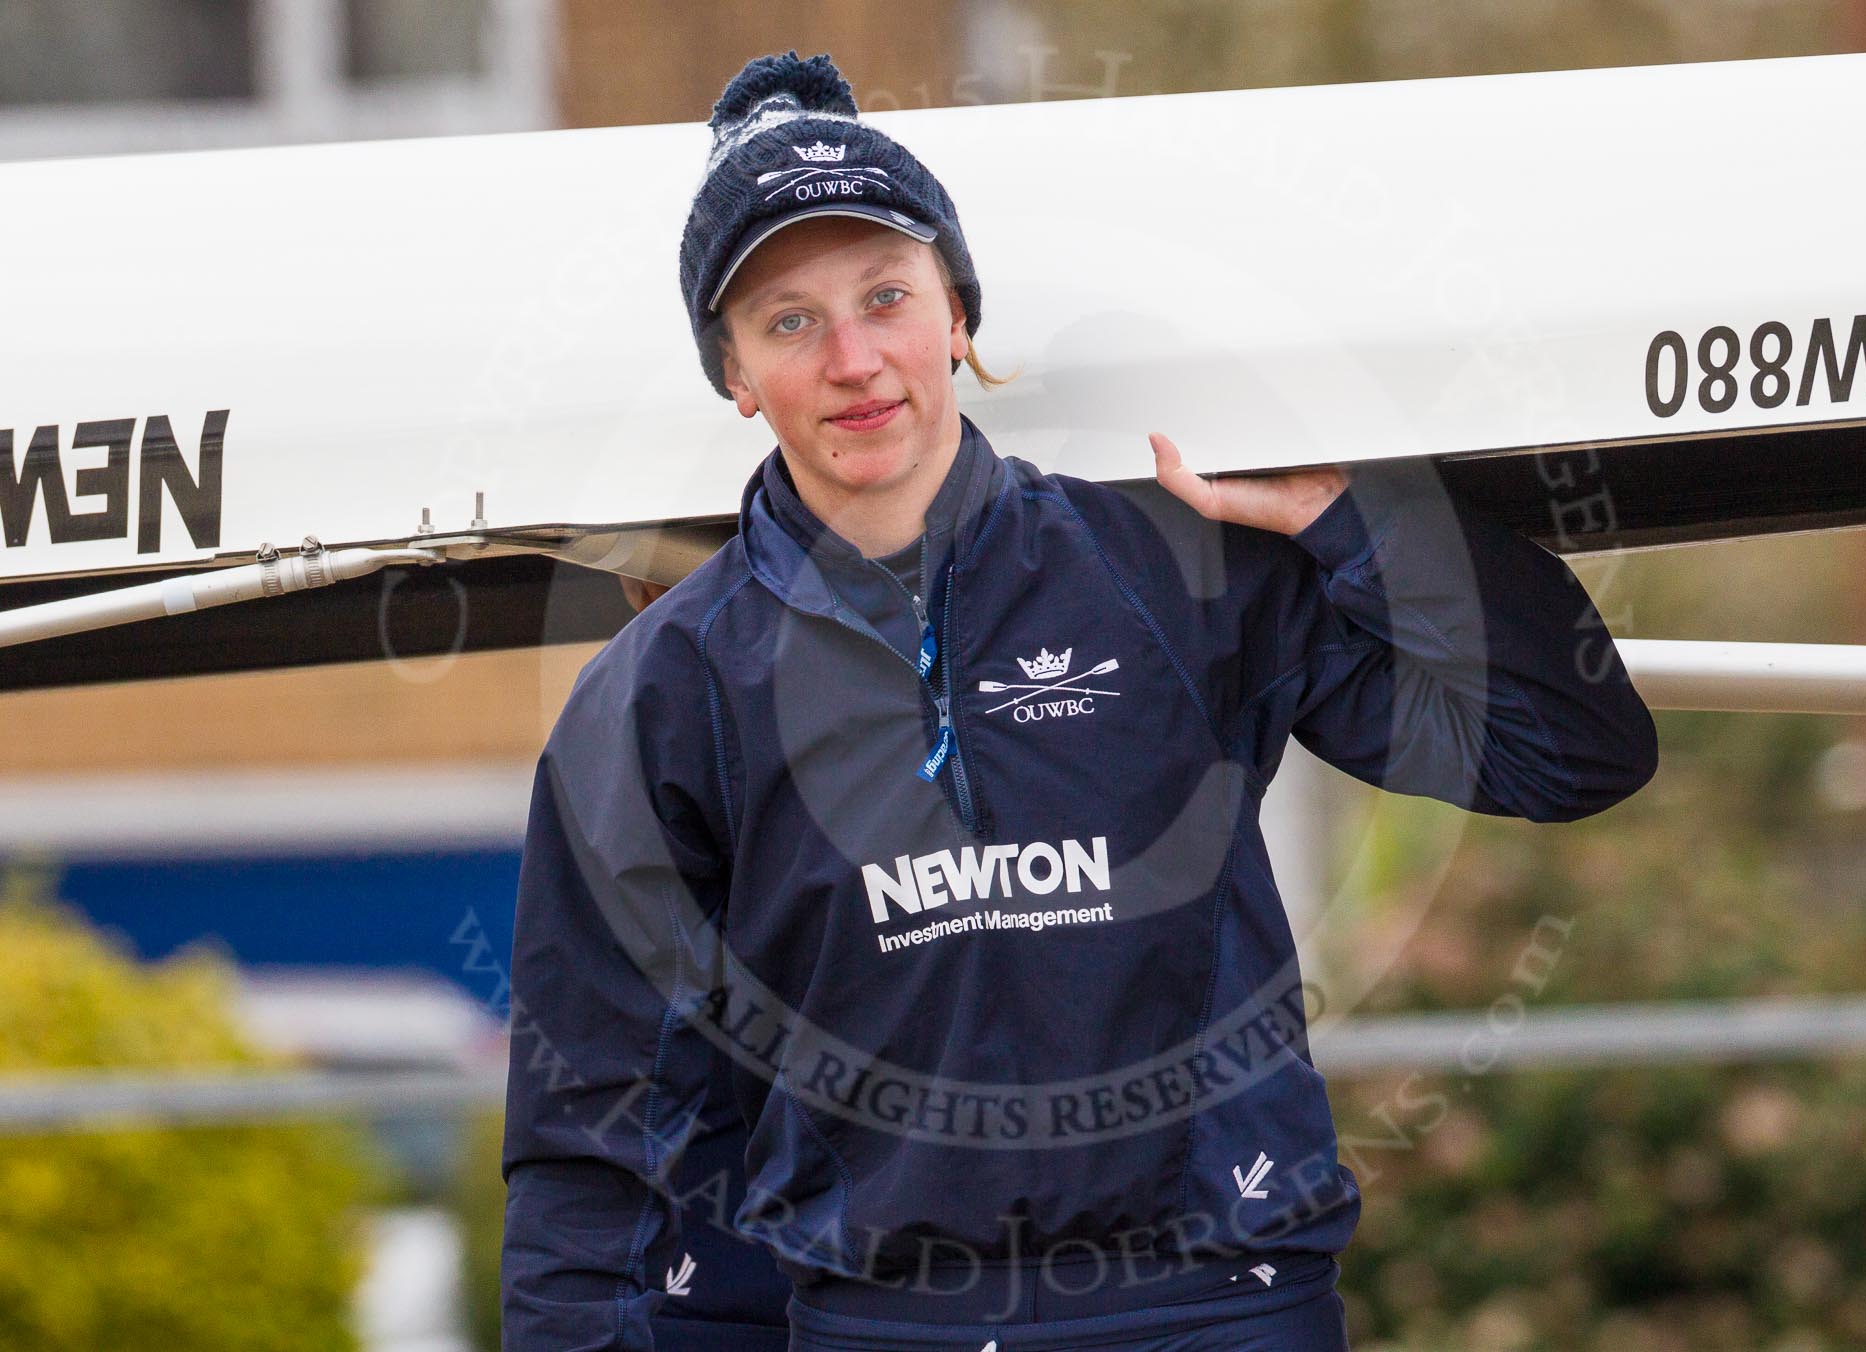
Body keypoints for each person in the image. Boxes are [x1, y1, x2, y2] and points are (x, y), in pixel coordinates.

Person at [501, 50, 1659, 1351]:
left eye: (887, 295)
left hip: (1217, 1303)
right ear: (734, 374)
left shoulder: (1170, 575)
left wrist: (1352, 517)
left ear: (957, 315)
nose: (854, 358)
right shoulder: (670, 690)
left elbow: (1571, 750)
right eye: (788, 320)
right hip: (887, 1324)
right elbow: (593, 1134)